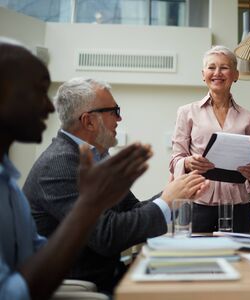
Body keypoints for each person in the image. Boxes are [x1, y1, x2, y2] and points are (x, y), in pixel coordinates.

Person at [23, 77, 209, 293]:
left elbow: (130, 210)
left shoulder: (96, 157)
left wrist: (176, 195)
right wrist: (166, 202)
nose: (120, 118)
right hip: (85, 289)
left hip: (111, 278)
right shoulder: (59, 165)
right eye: (114, 111)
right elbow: (106, 236)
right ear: (89, 121)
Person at [0, 39, 153, 299]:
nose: (50, 108)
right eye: (38, 91)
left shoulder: (8, 182)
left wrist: (173, 197)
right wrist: (90, 206)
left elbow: (40, 262)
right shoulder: (57, 164)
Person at [170, 45, 250, 233]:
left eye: (224, 67)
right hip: (198, 203)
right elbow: (175, 160)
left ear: (235, 75)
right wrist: (188, 162)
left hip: (239, 206)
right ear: (203, 74)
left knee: (241, 257)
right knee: (198, 259)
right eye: (211, 67)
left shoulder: (248, 117)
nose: (217, 73)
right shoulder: (187, 112)